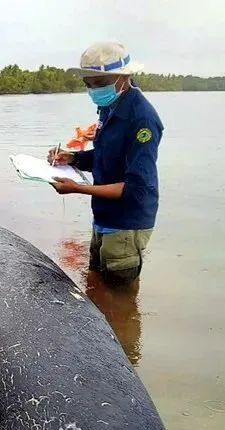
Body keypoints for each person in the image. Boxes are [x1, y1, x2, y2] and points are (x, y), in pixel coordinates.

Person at [48, 41, 163, 285]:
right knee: (98, 285)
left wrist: (77, 188)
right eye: (87, 84)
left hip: (126, 224)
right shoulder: (109, 107)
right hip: (104, 216)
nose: (93, 90)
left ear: (123, 77)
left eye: (99, 84)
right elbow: (104, 157)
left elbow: (135, 188)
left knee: (120, 298)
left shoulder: (142, 119)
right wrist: (74, 158)